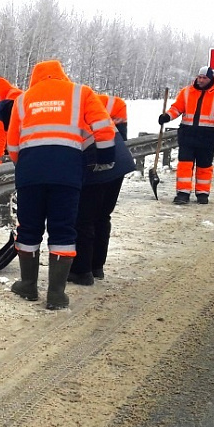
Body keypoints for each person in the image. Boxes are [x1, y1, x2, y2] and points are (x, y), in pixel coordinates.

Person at [6, 59, 116, 310]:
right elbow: (104, 128)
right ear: (61, 74)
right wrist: (105, 159)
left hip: (30, 172)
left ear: (35, 77)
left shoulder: (23, 100)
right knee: (63, 229)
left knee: (29, 228)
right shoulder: (81, 93)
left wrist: (24, 166)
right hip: (67, 173)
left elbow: (13, 143)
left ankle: (28, 285)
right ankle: (56, 294)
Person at [68, 93, 135, 286]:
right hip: (119, 161)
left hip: (101, 163)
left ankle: (82, 271)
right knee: (102, 216)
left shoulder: (69, 115)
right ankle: (97, 267)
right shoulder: (88, 107)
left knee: (84, 218)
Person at [158, 66, 214, 204]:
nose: (201, 80)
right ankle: (182, 193)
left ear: (210, 79)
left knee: (204, 166)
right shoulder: (186, 92)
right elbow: (177, 108)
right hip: (188, 134)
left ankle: (202, 193)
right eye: (199, 77)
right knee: (185, 165)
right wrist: (167, 116)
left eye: (204, 78)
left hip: (207, 136)